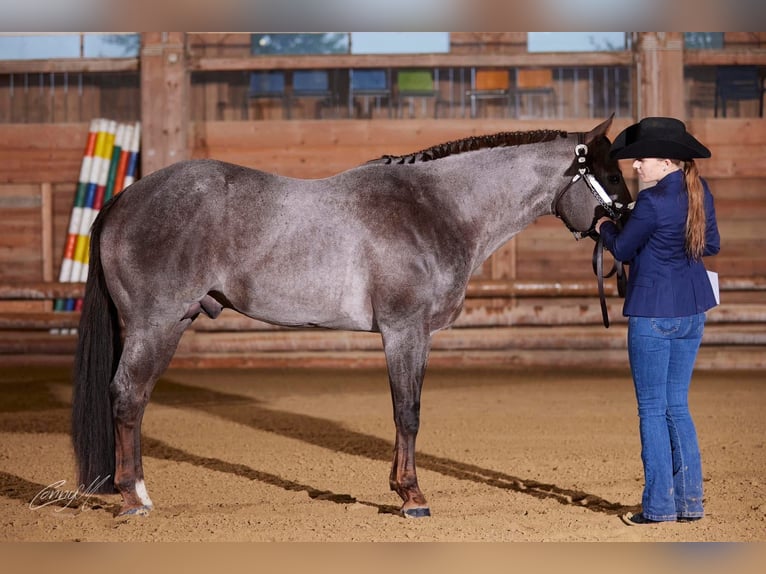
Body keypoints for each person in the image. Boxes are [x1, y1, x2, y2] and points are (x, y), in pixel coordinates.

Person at [595, 117, 720, 526]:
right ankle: (689, 503)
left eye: (642, 159)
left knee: (651, 410)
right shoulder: (699, 191)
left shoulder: (652, 202)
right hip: (691, 311)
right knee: (676, 408)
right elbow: (711, 244)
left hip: (653, 314)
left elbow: (623, 249)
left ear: (667, 161)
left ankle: (659, 507)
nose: (635, 166)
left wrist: (605, 226)